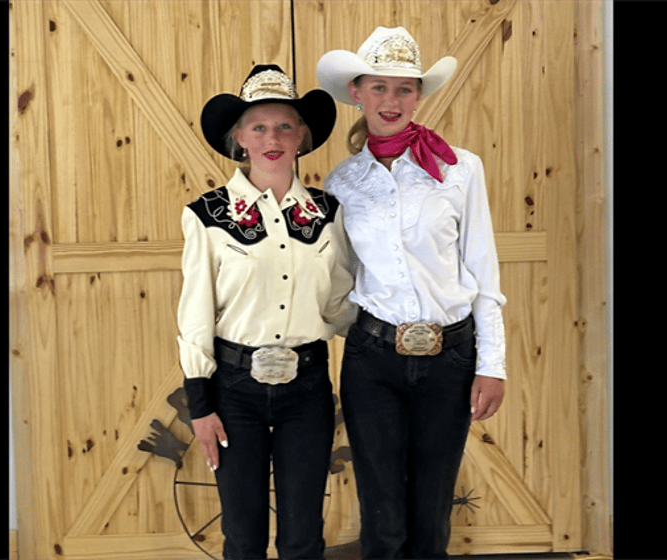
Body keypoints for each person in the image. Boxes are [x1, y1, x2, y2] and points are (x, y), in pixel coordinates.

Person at [315, 27, 508, 559]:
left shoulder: (460, 169)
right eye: (379, 87)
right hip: (373, 360)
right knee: (381, 517)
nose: (391, 100)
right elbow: (339, 275)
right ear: (357, 92)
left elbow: (483, 271)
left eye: (404, 88)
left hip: (451, 358)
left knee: (431, 516)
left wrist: (493, 364)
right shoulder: (341, 183)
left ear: (419, 95)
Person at [177, 64, 357, 560]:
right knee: (243, 533)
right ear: (239, 138)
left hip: (308, 388)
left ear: (302, 136)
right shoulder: (207, 216)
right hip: (234, 390)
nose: (271, 138)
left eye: (284, 126)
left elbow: (340, 303)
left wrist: (392, 335)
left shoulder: (328, 213)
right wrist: (201, 405)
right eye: (258, 127)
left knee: (304, 534)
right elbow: (196, 315)